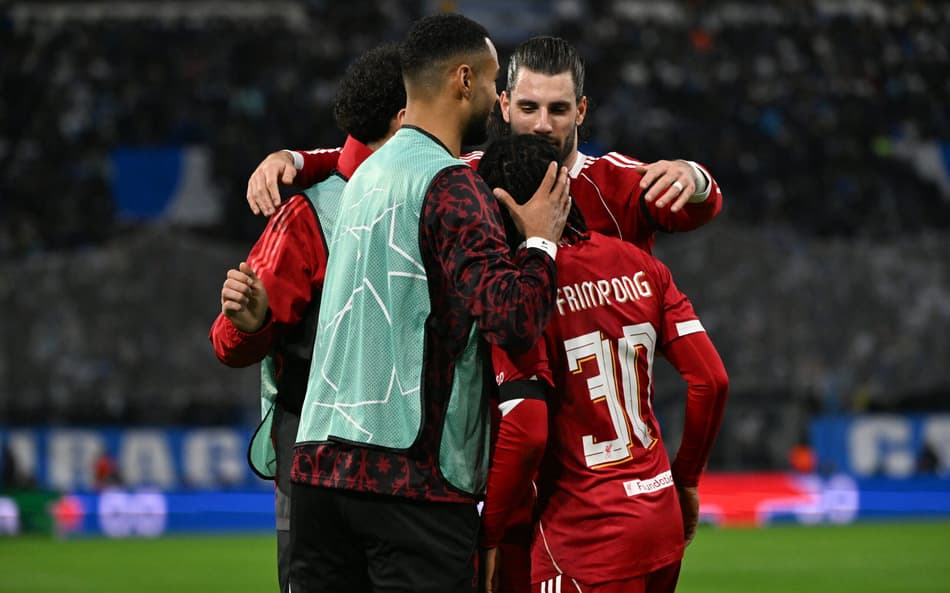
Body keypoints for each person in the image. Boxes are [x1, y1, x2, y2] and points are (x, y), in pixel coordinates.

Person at [288, 14, 571, 593]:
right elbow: (512, 319)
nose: (498, 103)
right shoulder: (448, 184)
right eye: (494, 84)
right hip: (409, 484)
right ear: (463, 80)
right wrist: (541, 240)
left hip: (318, 471)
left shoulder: (362, 180)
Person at [478, 134, 729, 593]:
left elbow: (526, 427)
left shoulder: (522, 292)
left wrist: (489, 535)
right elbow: (711, 381)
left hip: (583, 539)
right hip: (659, 520)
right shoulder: (639, 263)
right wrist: (686, 480)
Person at [208, 44, 407, 593]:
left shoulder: (437, 192)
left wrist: (299, 157)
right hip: (320, 456)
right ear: (404, 119)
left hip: (407, 456)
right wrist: (249, 324)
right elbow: (230, 340)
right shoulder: (309, 215)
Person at [244, 36, 722, 257]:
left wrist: (693, 177)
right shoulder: (466, 172)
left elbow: (694, 207)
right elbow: (378, 162)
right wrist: (294, 160)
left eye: (557, 110)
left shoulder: (616, 179)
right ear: (505, 106)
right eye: (529, 108)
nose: (541, 125)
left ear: (580, 111)